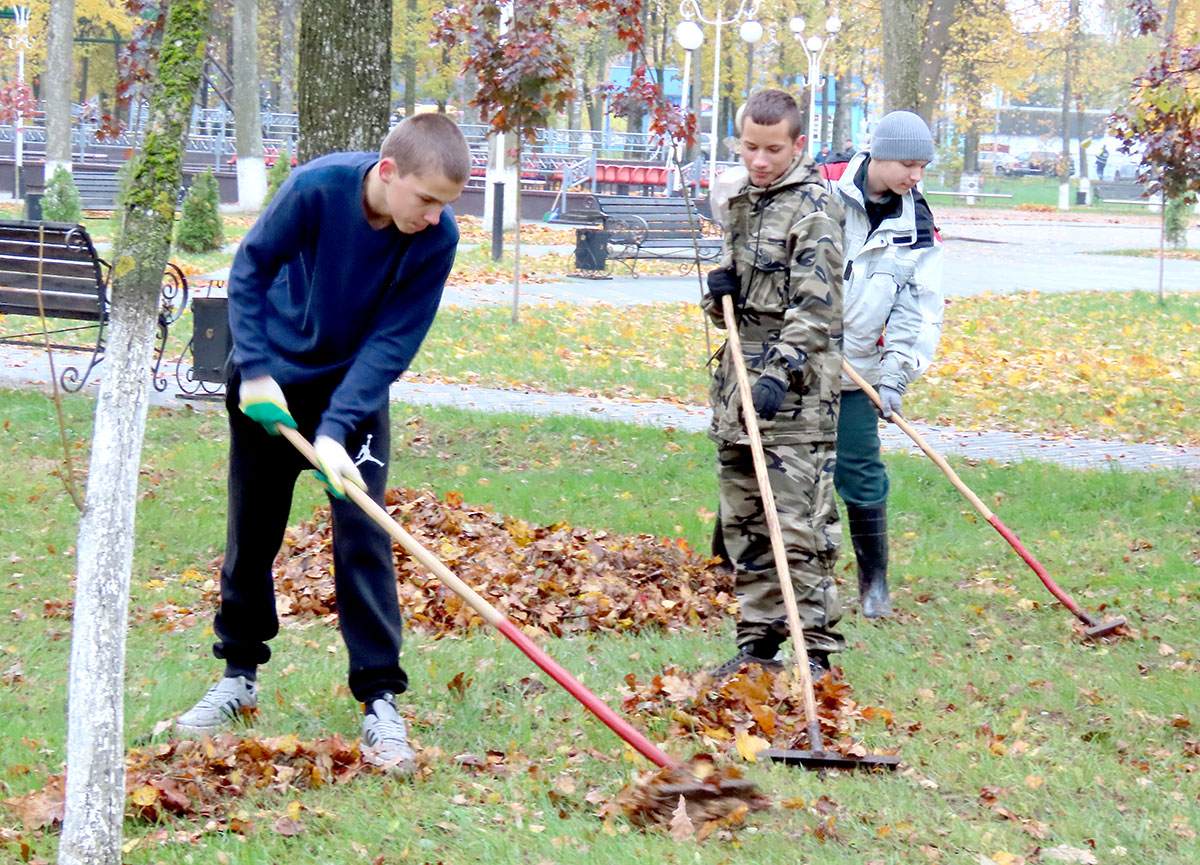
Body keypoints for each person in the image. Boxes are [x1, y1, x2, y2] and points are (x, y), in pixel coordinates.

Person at [174, 113, 471, 774]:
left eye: (445, 205)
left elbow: (393, 342)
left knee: (365, 535)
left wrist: (337, 431)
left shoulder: (435, 237)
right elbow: (250, 270)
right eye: (426, 199)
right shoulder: (316, 187)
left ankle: (380, 699)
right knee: (253, 529)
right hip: (271, 384)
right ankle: (238, 677)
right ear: (388, 172)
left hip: (353, 394)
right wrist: (254, 371)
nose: (434, 216)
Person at [701, 88, 846, 679]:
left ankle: (816, 656)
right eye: (750, 147)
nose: (759, 160)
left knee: (798, 528)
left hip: (795, 396)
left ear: (798, 145)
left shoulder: (815, 208)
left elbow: (818, 308)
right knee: (746, 524)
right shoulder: (741, 201)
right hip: (738, 388)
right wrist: (719, 296)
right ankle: (758, 646)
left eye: (773, 150)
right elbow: (735, 310)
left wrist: (780, 371)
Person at [831, 109, 944, 618]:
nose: (915, 176)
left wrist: (896, 376)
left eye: (923, 167)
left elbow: (916, 309)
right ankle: (733, 562)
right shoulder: (823, 191)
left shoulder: (916, 224)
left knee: (862, 472)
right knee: (768, 462)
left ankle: (874, 585)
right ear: (878, 154)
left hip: (859, 372)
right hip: (794, 362)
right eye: (907, 164)